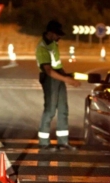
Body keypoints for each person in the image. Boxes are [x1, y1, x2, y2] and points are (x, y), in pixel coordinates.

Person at [35, 20, 81, 151]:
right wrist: (67, 79)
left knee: (63, 110)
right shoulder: (42, 48)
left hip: (59, 76)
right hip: (50, 79)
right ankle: (44, 143)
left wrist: (66, 75)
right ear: (50, 33)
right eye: (57, 34)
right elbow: (48, 70)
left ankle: (63, 142)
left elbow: (57, 64)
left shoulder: (53, 43)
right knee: (50, 110)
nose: (59, 37)